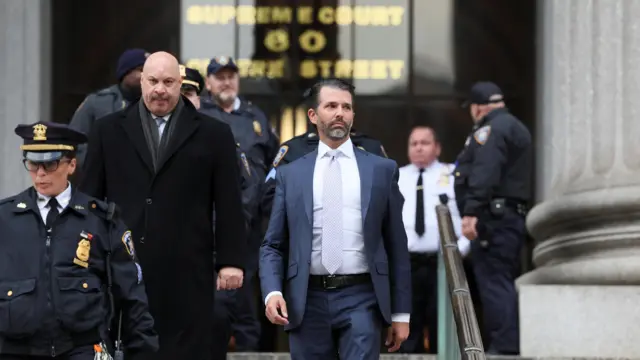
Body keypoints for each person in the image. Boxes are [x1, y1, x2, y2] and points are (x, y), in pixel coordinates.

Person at [80, 51, 248, 360]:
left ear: (180, 83)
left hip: (189, 270)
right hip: (125, 269)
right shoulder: (107, 130)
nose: (160, 89)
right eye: (153, 81)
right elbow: (89, 201)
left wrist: (230, 260)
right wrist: (85, 258)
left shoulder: (214, 134)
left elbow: (229, 204)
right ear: (141, 82)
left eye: (169, 82)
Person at [259, 78, 411, 359]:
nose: (340, 112)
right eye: (331, 106)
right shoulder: (290, 174)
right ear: (313, 116)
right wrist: (272, 292)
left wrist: (401, 313)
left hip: (362, 297)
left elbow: (396, 246)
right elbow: (273, 245)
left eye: (346, 107)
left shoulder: (381, 170)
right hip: (306, 298)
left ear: (353, 115)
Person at [0, 121, 158, 359]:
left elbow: (131, 294)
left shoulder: (101, 219)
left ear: (71, 165)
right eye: (33, 164)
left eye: (50, 164)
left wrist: (143, 352)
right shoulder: (5, 217)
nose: (40, 173)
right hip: (16, 349)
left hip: (82, 348)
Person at [178, 63, 259, 358]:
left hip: (211, 253)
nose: (185, 98)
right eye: (180, 91)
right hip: (163, 257)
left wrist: (231, 237)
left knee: (216, 321)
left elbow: (245, 191)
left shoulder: (218, 136)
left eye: (190, 91)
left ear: (200, 97)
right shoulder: (148, 139)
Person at [199, 56, 275, 352]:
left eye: (231, 76)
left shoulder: (256, 118)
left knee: (246, 305)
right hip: (211, 224)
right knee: (213, 305)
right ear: (208, 83)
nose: (226, 82)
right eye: (219, 77)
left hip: (250, 228)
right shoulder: (200, 115)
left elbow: (273, 168)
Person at [454, 81, 532, 355]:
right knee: (500, 281)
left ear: (478, 107)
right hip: (507, 217)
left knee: (494, 284)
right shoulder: (513, 126)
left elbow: (485, 172)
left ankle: (503, 348)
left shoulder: (491, 129)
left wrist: (471, 211)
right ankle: (505, 345)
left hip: (493, 220)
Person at [397, 125, 471, 354]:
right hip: (407, 263)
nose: (419, 147)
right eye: (414, 143)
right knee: (407, 325)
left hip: (443, 263)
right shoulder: (396, 176)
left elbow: (467, 217)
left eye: (425, 142)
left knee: (442, 324)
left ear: (437, 148)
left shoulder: (452, 175)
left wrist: (459, 252)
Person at [69, 48, 149, 167]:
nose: (146, 76)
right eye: (141, 70)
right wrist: (97, 164)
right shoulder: (97, 102)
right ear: (125, 73)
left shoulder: (155, 103)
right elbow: (74, 140)